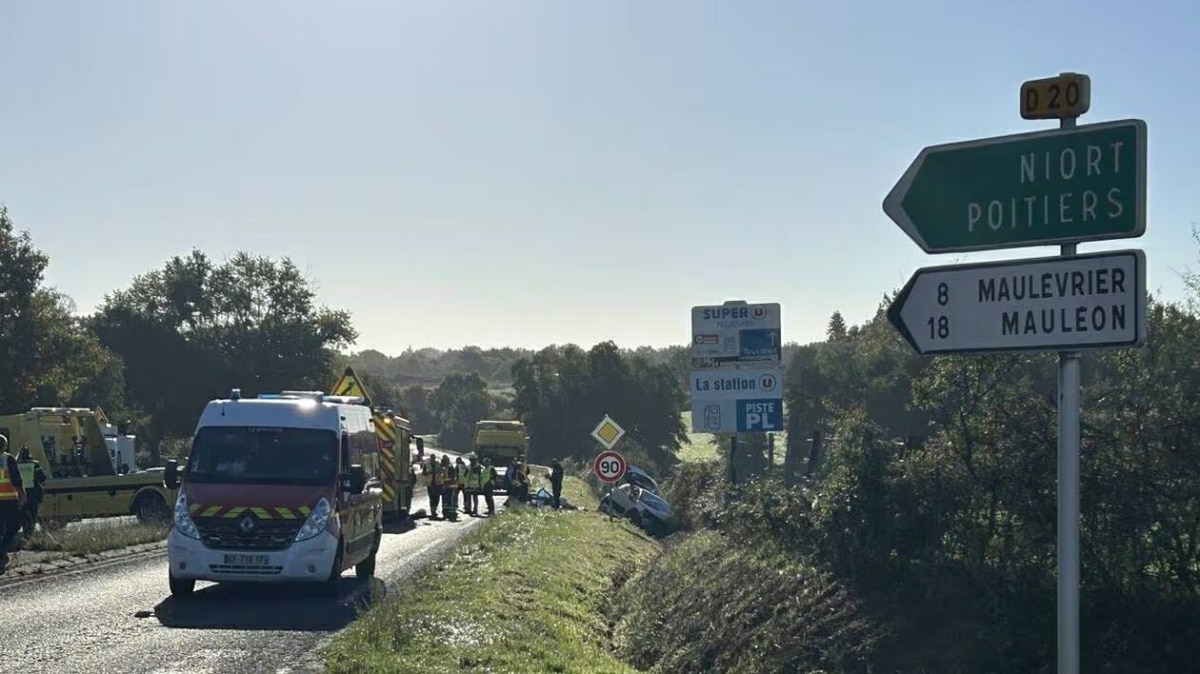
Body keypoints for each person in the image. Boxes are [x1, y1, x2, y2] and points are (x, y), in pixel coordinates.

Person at [0, 434, 28, 571]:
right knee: (14, 526)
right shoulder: (8, 459)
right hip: (9, 499)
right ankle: (1, 552)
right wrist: (22, 493)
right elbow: (16, 478)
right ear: (4, 446)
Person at [17, 446, 47, 536]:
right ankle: (31, 532)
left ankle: (25, 531)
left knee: (23, 514)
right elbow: (43, 478)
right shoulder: (35, 464)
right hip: (33, 494)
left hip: (21, 494)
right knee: (33, 514)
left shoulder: (16, 465)